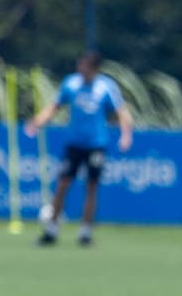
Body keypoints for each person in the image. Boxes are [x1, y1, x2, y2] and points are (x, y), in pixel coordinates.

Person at [24, 51, 132, 246]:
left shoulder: (106, 87)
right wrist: (37, 121)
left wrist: (126, 135)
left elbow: (121, 112)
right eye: (80, 66)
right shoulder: (71, 84)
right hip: (74, 144)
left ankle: (85, 232)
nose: (81, 70)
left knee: (91, 187)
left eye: (86, 67)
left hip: (96, 145)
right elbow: (54, 106)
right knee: (62, 185)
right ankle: (51, 230)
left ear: (95, 69)